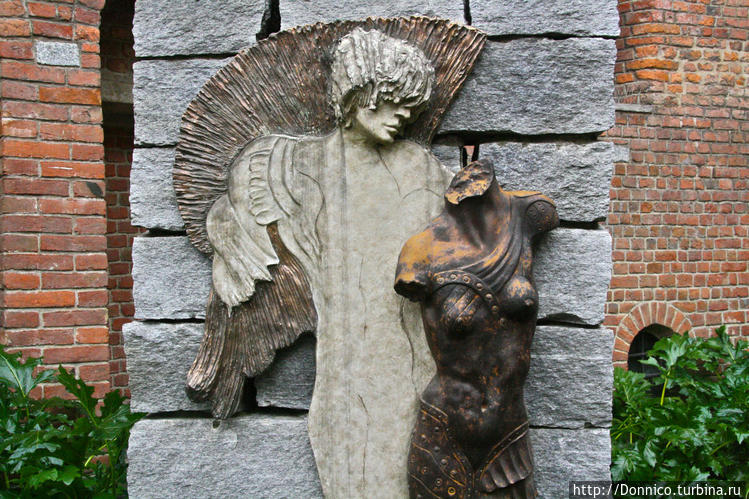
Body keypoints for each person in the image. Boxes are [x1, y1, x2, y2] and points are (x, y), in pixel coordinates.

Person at [188, 28, 453, 498]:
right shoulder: (295, 164)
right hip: (345, 356)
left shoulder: (424, 169)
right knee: (351, 454)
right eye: (394, 100)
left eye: (412, 106)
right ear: (359, 92)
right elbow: (233, 214)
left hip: (417, 348)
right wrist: (229, 238)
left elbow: (469, 230)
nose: (404, 115)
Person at [395, 159, 559, 498]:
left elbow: (548, 211)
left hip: (509, 431)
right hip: (445, 430)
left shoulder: (527, 217)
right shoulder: (421, 250)